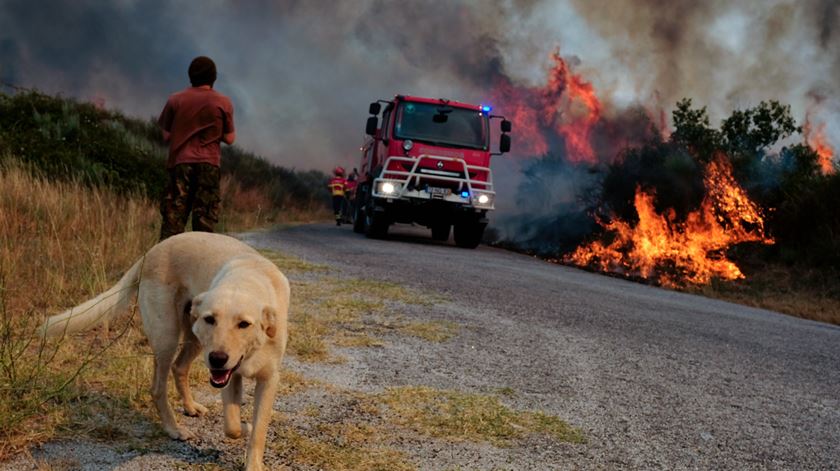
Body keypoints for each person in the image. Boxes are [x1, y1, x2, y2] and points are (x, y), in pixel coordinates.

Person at [157, 56, 235, 240]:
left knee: (173, 220)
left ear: (190, 76)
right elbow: (230, 138)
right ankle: (201, 264)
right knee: (204, 223)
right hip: (208, 165)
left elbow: (166, 135)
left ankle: (168, 264)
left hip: (180, 164)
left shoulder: (175, 100)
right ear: (214, 78)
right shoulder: (223, 103)